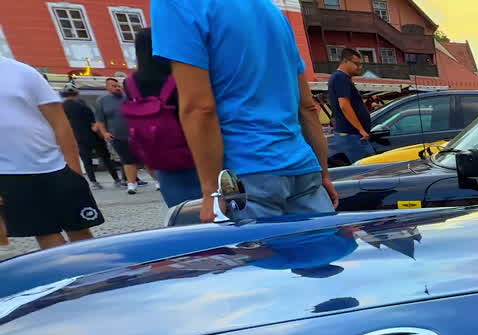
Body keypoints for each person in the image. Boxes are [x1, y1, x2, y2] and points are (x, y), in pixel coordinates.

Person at [151, 0, 338, 222]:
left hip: (245, 174)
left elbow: (199, 107)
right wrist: (323, 173)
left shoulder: (177, 4)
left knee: (255, 255)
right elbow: (307, 106)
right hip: (303, 169)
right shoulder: (271, 11)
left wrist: (210, 191)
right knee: (319, 251)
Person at [0, 57, 105, 249]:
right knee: (45, 233)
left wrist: (74, 170)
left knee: (80, 230)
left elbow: (60, 122)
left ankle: (94, 274)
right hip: (9, 174)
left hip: (55, 165)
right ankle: (68, 276)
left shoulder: (23, 73)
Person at [126, 28, 201, 208]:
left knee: (180, 212)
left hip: (159, 155)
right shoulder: (179, 76)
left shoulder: (130, 83)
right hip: (192, 149)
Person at [95, 77, 155, 194]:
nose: (117, 88)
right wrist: (105, 133)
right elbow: (100, 120)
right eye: (113, 86)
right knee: (127, 160)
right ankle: (131, 184)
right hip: (117, 136)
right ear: (107, 87)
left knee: (145, 159)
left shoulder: (128, 98)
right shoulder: (102, 101)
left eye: (118, 86)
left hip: (136, 133)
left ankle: (158, 181)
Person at [62, 86, 121, 189]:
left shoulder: (61, 107)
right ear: (76, 93)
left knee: (86, 160)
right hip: (93, 136)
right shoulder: (82, 105)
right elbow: (94, 122)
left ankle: (93, 181)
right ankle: (116, 179)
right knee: (105, 158)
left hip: (77, 136)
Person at [327, 48, 375, 164]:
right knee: (369, 168)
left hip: (352, 135)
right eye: (356, 64)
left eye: (360, 64)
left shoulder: (343, 79)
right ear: (345, 61)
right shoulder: (340, 78)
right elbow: (344, 106)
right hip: (351, 135)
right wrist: (361, 130)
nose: (359, 67)